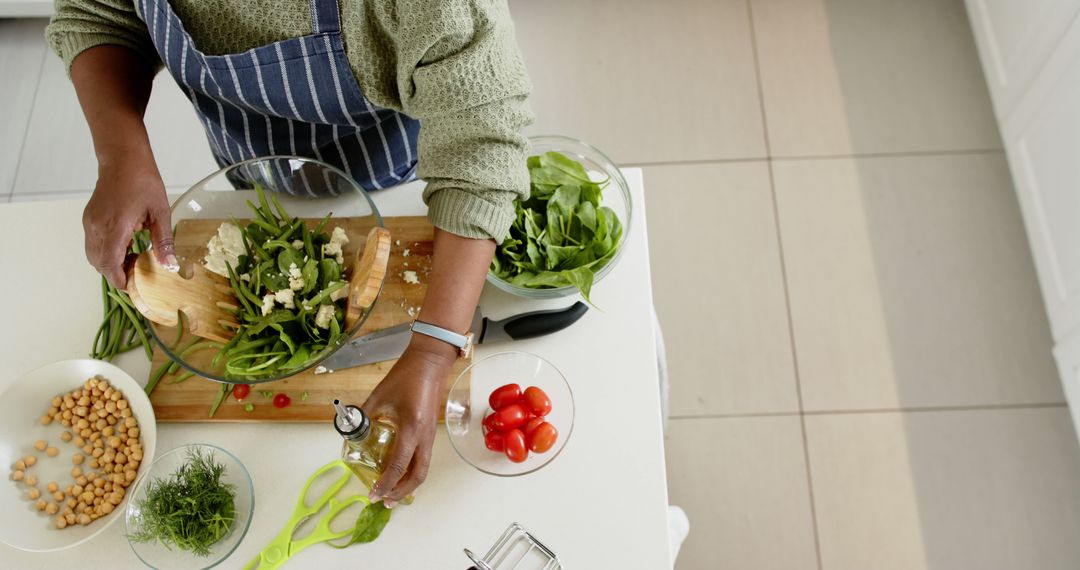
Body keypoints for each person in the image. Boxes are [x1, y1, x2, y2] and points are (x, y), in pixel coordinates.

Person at [46, 0, 532, 509]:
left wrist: (434, 347)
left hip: (402, 184)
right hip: (250, 182)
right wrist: (120, 154)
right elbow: (97, 14)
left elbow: (482, 139)